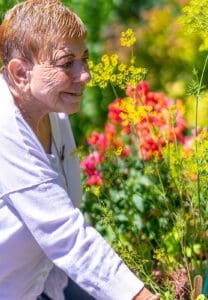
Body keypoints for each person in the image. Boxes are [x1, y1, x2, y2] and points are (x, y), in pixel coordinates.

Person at [0, 1, 160, 299]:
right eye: (66, 63)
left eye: (84, 59)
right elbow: (66, 234)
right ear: (21, 72)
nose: (84, 74)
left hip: (45, 286)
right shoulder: (5, 129)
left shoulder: (52, 109)